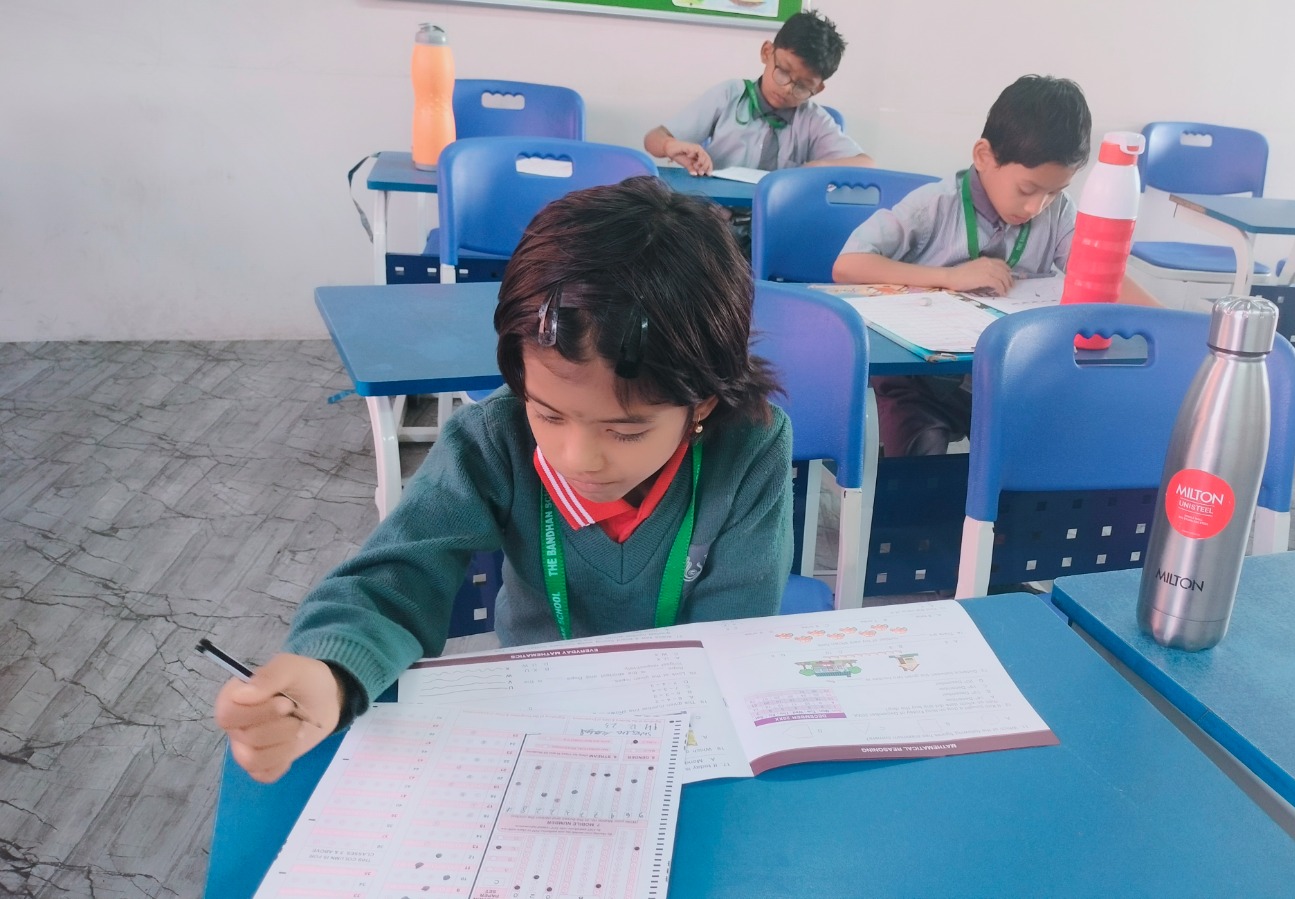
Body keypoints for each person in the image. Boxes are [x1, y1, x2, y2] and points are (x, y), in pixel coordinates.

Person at [216, 177, 794, 783]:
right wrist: (330, 670)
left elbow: (731, 636)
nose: (578, 457)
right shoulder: (493, 440)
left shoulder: (750, 448)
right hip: (534, 707)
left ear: (702, 403)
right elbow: (398, 575)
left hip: (683, 722)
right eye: (548, 413)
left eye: (625, 431)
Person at [832, 74, 1156, 456]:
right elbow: (848, 265)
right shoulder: (933, 205)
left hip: (1004, 376)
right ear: (984, 156)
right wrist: (948, 277)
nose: (1037, 206)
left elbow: (1103, 275)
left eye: (1055, 192)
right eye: (1027, 189)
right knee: (921, 449)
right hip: (919, 380)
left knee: (1053, 438)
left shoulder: (1058, 215)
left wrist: (1170, 326)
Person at [643, 10, 873, 176]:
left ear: (817, 89)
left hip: (776, 217)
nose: (787, 89)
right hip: (716, 215)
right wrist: (670, 146)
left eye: (802, 86)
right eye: (783, 72)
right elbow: (654, 138)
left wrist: (817, 167)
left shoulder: (813, 120)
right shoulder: (729, 95)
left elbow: (866, 164)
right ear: (767, 52)